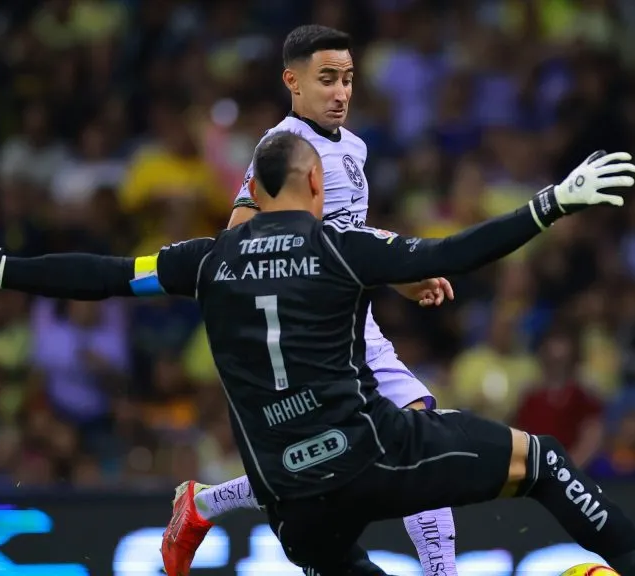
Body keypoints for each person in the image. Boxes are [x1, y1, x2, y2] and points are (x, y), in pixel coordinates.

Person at [0, 131, 635, 576]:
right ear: (312, 186)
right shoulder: (340, 245)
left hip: (291, 507)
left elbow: (99, 277)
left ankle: (218, 505)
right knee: (544, 462)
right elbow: (452, 254)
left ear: (251, 194)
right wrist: (553, 202)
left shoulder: (204, 261)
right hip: (367, 457)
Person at [187, 24, 461, 574]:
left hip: (355, 325)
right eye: (327, 80)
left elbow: (345, 235)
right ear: (293, 81)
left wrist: (397, 275)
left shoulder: (352, 147)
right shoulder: (281, 149)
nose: (340, 92)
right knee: (406, 442)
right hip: (314, 333)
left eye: (348, 79)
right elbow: (238, 235)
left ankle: (201, 503)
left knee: (393, 441)